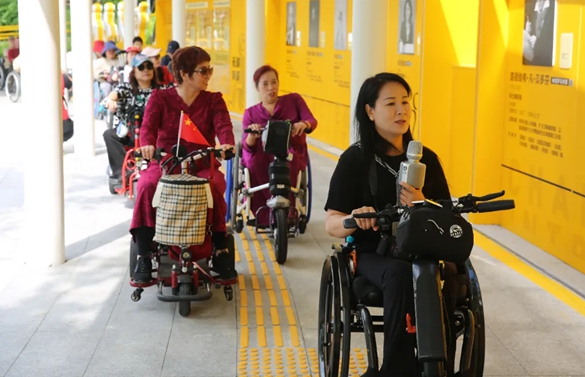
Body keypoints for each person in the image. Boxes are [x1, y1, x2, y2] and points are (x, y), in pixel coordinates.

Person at [324, 72, 456, 377]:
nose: (402, 111)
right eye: (391, 103)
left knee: (448, 270)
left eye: (406, 102)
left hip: (422, 249)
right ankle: (396, 370)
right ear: (370, 111)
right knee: (398, 273)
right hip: (374, 254)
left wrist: (422, 202)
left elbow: (448, 218)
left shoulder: (427, 160)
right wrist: (355, 219)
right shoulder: (354, 160)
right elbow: (332, 222)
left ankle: (440, 366)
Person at [130, 46, 236, 284]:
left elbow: (223, 126)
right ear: (184, 73)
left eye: (210, 69)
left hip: (201, 163)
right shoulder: (160, 98)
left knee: (216, 184)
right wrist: (147, 145)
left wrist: (227, 143)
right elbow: (147, 128)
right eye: (203, 70)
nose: (208, 74)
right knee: (147, 185)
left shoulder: (214, 100)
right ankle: (144, 254)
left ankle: (220, 249)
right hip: (166, 162)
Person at [242, 65, 317, 226]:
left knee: (290, 159)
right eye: (265, 84)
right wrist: (252, 136)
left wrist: (303, 124)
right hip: (261, 151)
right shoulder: (250, 113)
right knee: (254, 162)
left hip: (289, 148)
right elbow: (247, 146)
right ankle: (264, 213)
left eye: (274, 82)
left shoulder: (294, 100)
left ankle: (287, 208)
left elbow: (311, 121)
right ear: (257, 88)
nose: (271, 88)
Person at [103, 54, 165, 188]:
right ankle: (122, 174)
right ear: (134, 72)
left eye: (149, 66)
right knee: (109, 135)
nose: (146, 70)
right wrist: (112, 100)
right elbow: (115, 93)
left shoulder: (161, 91)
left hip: (154, 137)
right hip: (131, 133)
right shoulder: (126, 88)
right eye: (141, 67)